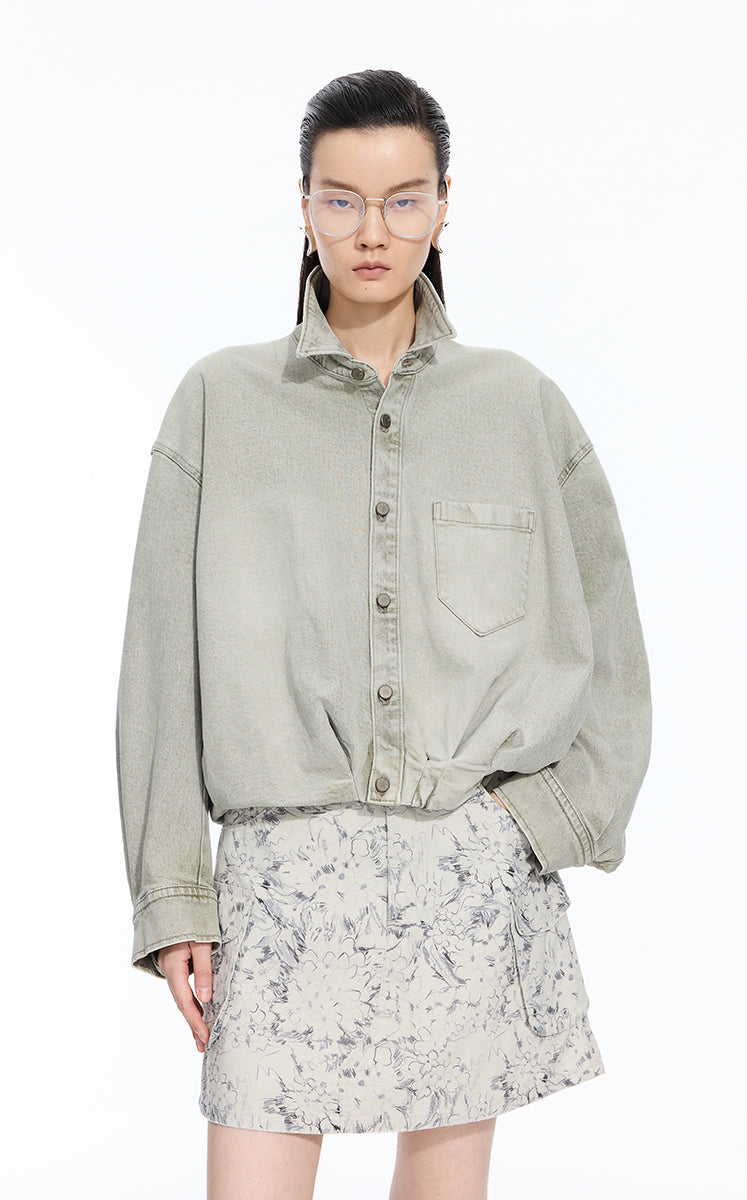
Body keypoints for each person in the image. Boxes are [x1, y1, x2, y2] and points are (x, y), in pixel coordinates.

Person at [116, 68, 652, 1200]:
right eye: (344, 199)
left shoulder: (518, 405)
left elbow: (612, 642)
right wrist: (174, 896)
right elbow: (161, 665)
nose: (373, 231)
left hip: (467, 876)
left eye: (405, 199)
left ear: (445, 207)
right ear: (304, 206)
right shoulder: (218, 403)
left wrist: (540, 821)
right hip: (279, 889)